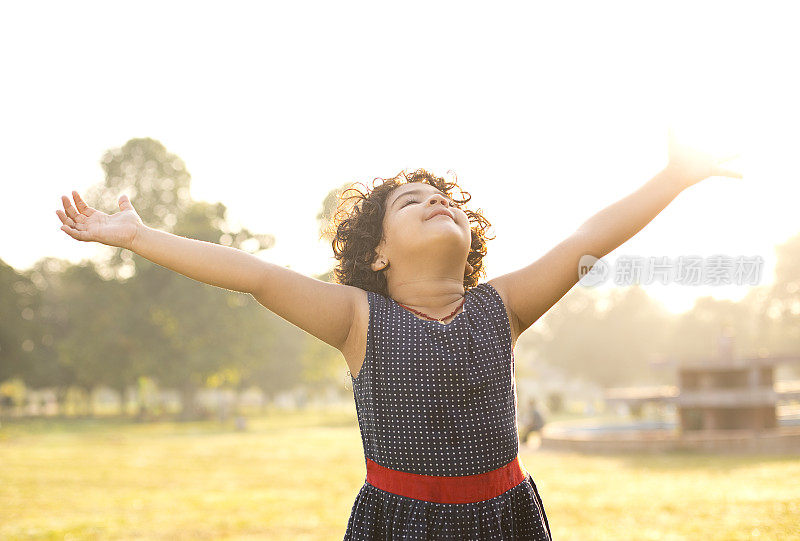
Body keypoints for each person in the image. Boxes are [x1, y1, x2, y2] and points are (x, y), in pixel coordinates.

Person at [56, 128, 741, 540]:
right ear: (378, 254)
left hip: (504, 522)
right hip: (401, 525)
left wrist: (675, 176)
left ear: (469, 240)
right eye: (412, 201)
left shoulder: (499, 308)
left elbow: (589, 236)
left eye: (444, 200)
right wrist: (140, 237)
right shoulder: (358, 318)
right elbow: (254, 275)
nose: (436, 201)